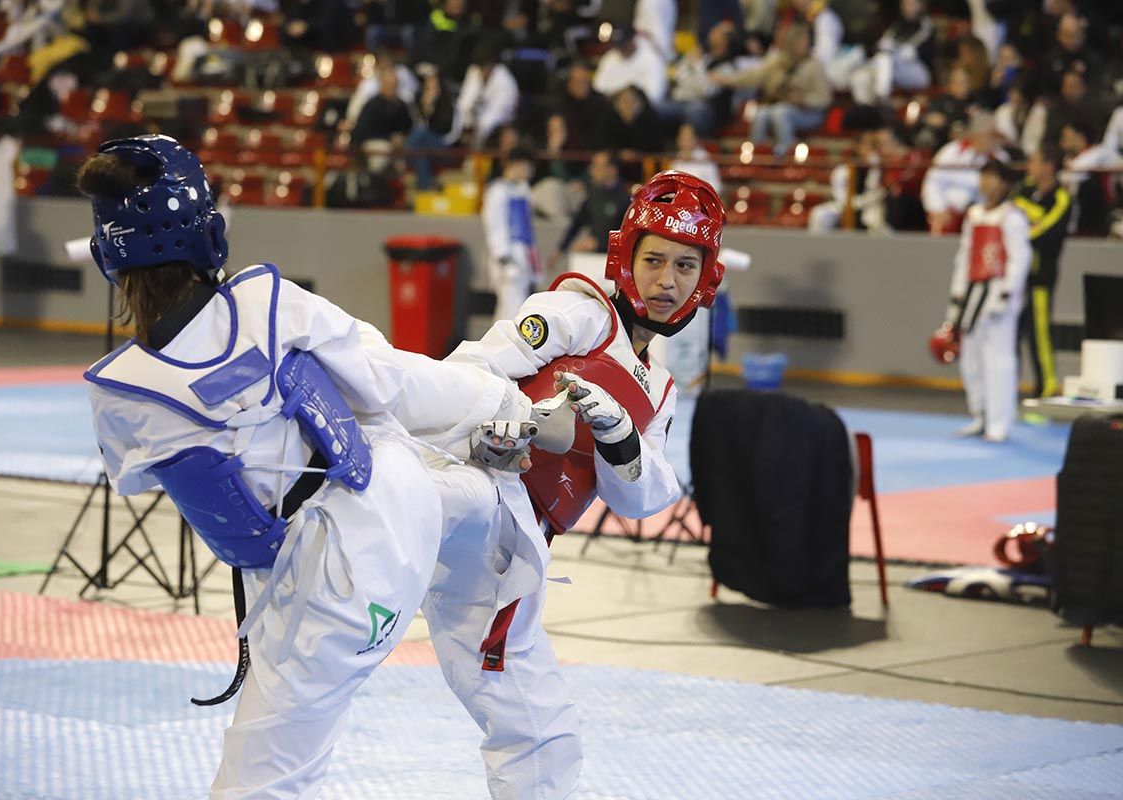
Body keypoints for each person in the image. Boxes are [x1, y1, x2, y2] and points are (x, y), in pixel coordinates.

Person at [76, 134, 538, 799]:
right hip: (395, 501)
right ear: (211, 233)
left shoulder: (117, 395)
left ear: (105, 258)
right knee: (457, 482)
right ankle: (508, 486)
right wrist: (503, 399)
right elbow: (392, 384)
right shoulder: (272, 304)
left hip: (323, 596)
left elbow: (154, 475)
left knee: (257, 788)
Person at [429, 169, 729, 799]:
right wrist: (522, 420)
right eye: (654, 261)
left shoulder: (661, 391)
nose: (667, 282)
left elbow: (647, 495)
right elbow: (466, 373)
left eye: (684, 266)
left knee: (547, 737)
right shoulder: (573, 314)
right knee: (539, 737)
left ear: (706, 280)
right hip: (476, 496)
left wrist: (619, 439)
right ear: (624, 258)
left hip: (517, 545)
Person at [944, 159, 1032, 442]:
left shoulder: (1012, 217)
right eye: (983, 177)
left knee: (999, 360)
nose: (986, 184)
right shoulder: (974, 215)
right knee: (970, 357)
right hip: (972, 291)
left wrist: (1007, 294)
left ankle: (999, 422)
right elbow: (965, 255)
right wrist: (957, 293)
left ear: (1005, 184)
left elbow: (1020, 260)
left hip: (996, 292)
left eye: (992, 178)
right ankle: (979, 414)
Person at [717, 23, 833, 157]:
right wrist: (727, 79)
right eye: (800, 40)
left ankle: (784, 153)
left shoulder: (814, 65)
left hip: (808, 112)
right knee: (760, 113)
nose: (804, 44)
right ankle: (757, 153)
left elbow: (825, 99)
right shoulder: (778, 61)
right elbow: (754, 75)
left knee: (780, 112)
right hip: (780, 105)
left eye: (806, 41)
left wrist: (803, 100)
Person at [1013, 143, 1071, 398]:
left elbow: (1044, 233)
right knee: (1011, 334)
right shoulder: (1023, 188)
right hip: (1015, 276)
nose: (1030, 166)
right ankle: (1007, 389)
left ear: (1049, 166)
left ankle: (1046, 389)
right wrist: (1029, 219)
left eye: (1035, 161)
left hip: (1041, 278)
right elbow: (1010, 219)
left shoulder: (1061, 198)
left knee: (1039, 335)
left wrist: (1027, 221)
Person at [920, 111, 1009, 235]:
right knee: (941, 225)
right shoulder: (951, 151)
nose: (992, 140)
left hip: (983, 212)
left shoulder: (1000, 157)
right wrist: (938, 209)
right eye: (989, 135)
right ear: (976, 134)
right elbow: (932, 182)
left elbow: (1003, 190)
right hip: (951, 212)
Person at [482, 147, 540, 320]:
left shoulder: (523, 191)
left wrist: (534, 262)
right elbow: (495, 228)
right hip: (508, 259)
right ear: (517, 164)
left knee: (508, 314)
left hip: (523, 256)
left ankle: (492, 347)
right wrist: (504, 259)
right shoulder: (497, 192)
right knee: (512, 313)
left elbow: (528, 230)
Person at [552, 150, 633, 265]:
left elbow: (628, 236)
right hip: (593, 259)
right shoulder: (592, 194)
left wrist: (599, 243)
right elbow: (577, 223)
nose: (592, 171)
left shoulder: (626, 198)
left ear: (612, 169)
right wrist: (560, 249)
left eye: (597, 166)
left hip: (615, 261)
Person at [849, 0, 935, 106]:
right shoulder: (898, 24)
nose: (907, 7)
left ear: (921, 5)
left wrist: (903, 50)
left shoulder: (926, 24)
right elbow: (882, 44)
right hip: (894, 67)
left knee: (885, 59)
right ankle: (866, 110)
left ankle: (882, 100)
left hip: (918, 70)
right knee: (860, 77)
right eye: (905, 4)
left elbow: (918, 51)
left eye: (912, 4)